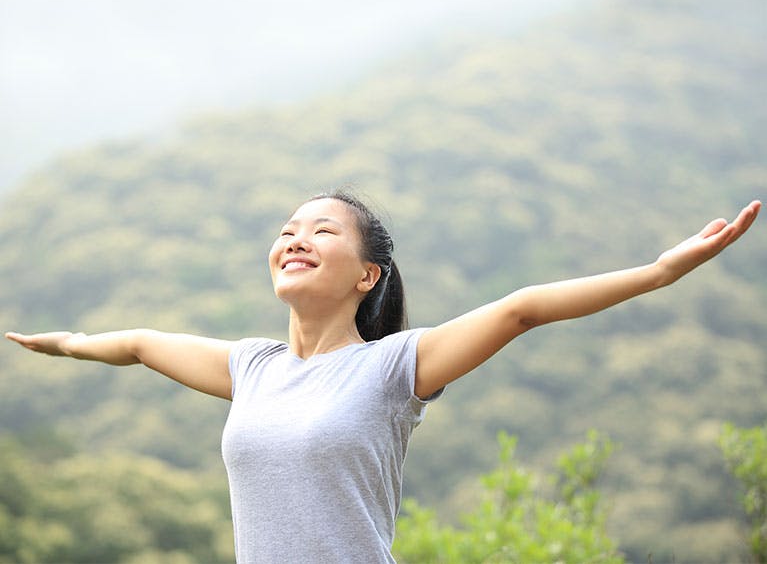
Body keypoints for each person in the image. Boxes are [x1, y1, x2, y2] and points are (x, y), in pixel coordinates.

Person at [5, 191, 761, 563]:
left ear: (367, 274)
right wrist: (69, 344)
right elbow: (139, 342)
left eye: (320, 230)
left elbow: (523, 309)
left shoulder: (393, 367)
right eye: (287, 231)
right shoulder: (253, 368)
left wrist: (660, 272)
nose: (295, 238)